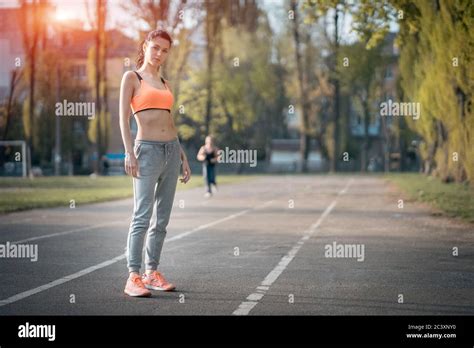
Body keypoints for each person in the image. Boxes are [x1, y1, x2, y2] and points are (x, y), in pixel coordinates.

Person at [119, 29, 191, 297]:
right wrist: (129, 152)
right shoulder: (132, 77)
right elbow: (123, 119)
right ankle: (133, 276)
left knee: (162, 219)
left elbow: (170, 122)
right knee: (142, 215)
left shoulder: (165, 82)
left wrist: (182, 156)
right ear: (146, 45)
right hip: (146, 151)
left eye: (165, 50)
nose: (159, 53)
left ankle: (152, 273)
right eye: (156, 47)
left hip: (171, 151)